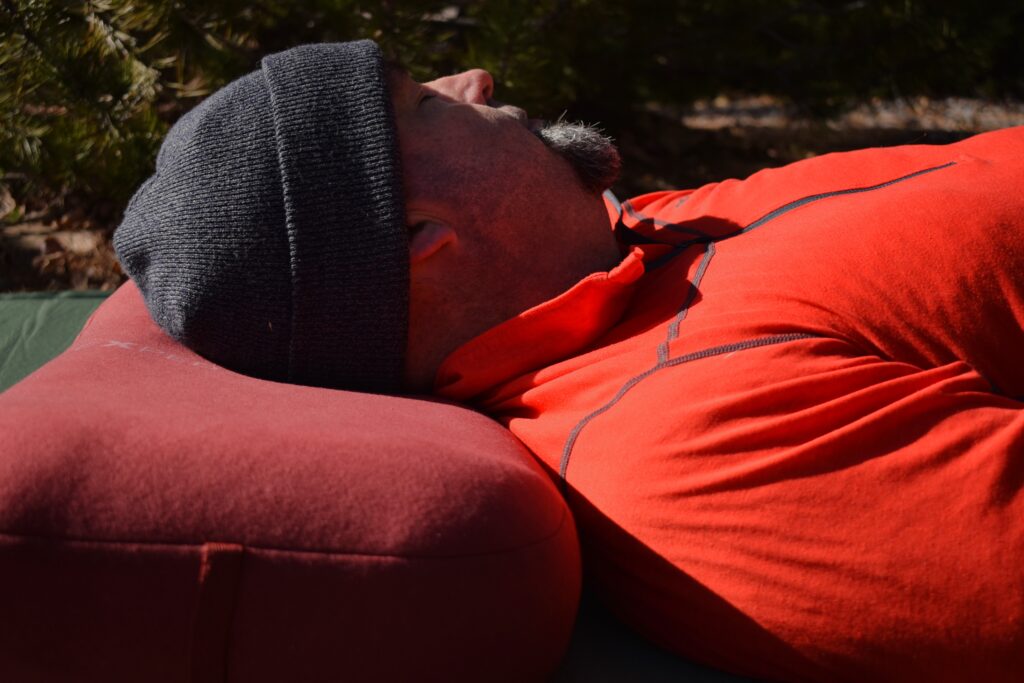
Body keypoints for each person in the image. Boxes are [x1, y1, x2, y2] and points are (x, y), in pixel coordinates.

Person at [114, 40, 1024, 682]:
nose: (476, 78)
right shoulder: (688, 441)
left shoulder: (643, 235)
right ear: (424, 237)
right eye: (426, 101)